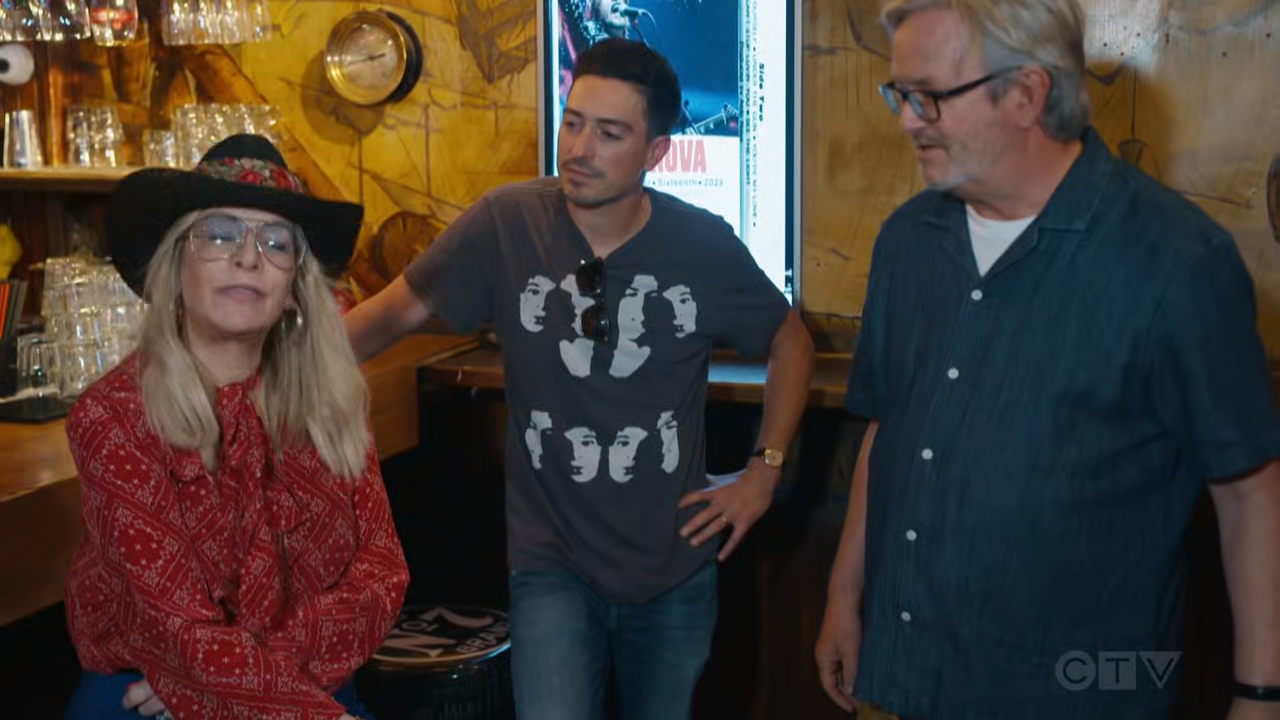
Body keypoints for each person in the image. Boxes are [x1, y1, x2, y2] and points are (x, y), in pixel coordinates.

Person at [815, 0, 1280, 718]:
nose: (906, 120)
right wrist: (844, 596)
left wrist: (1260, 695)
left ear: (1027, 94)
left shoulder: (1178, 261)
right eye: (899, 94)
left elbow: (1250, 494)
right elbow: (890, 429)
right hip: (912, 674)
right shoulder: (907, 242)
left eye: (929, 96)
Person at [345, 37, 814, 719]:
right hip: (550, 565)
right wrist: (263, 376)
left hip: (674, 567)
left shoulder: (701, 242)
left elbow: (791, 342)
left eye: (610, 133)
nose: (580, 148)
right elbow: (387, 317)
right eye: (574, 123)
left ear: (656, 152)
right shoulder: (507, 221)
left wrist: (763, 471)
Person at [62, 134, 410, 719]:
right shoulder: (113, 416)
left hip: (298, 688)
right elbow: (181, 633)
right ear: (176, 265)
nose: (249, 257)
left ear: (295, 287)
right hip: (147, 706)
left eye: (275, 242)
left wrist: (229, 681)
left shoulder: (334, 398)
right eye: (220, 234)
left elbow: (382, 575)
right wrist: (205, 680)